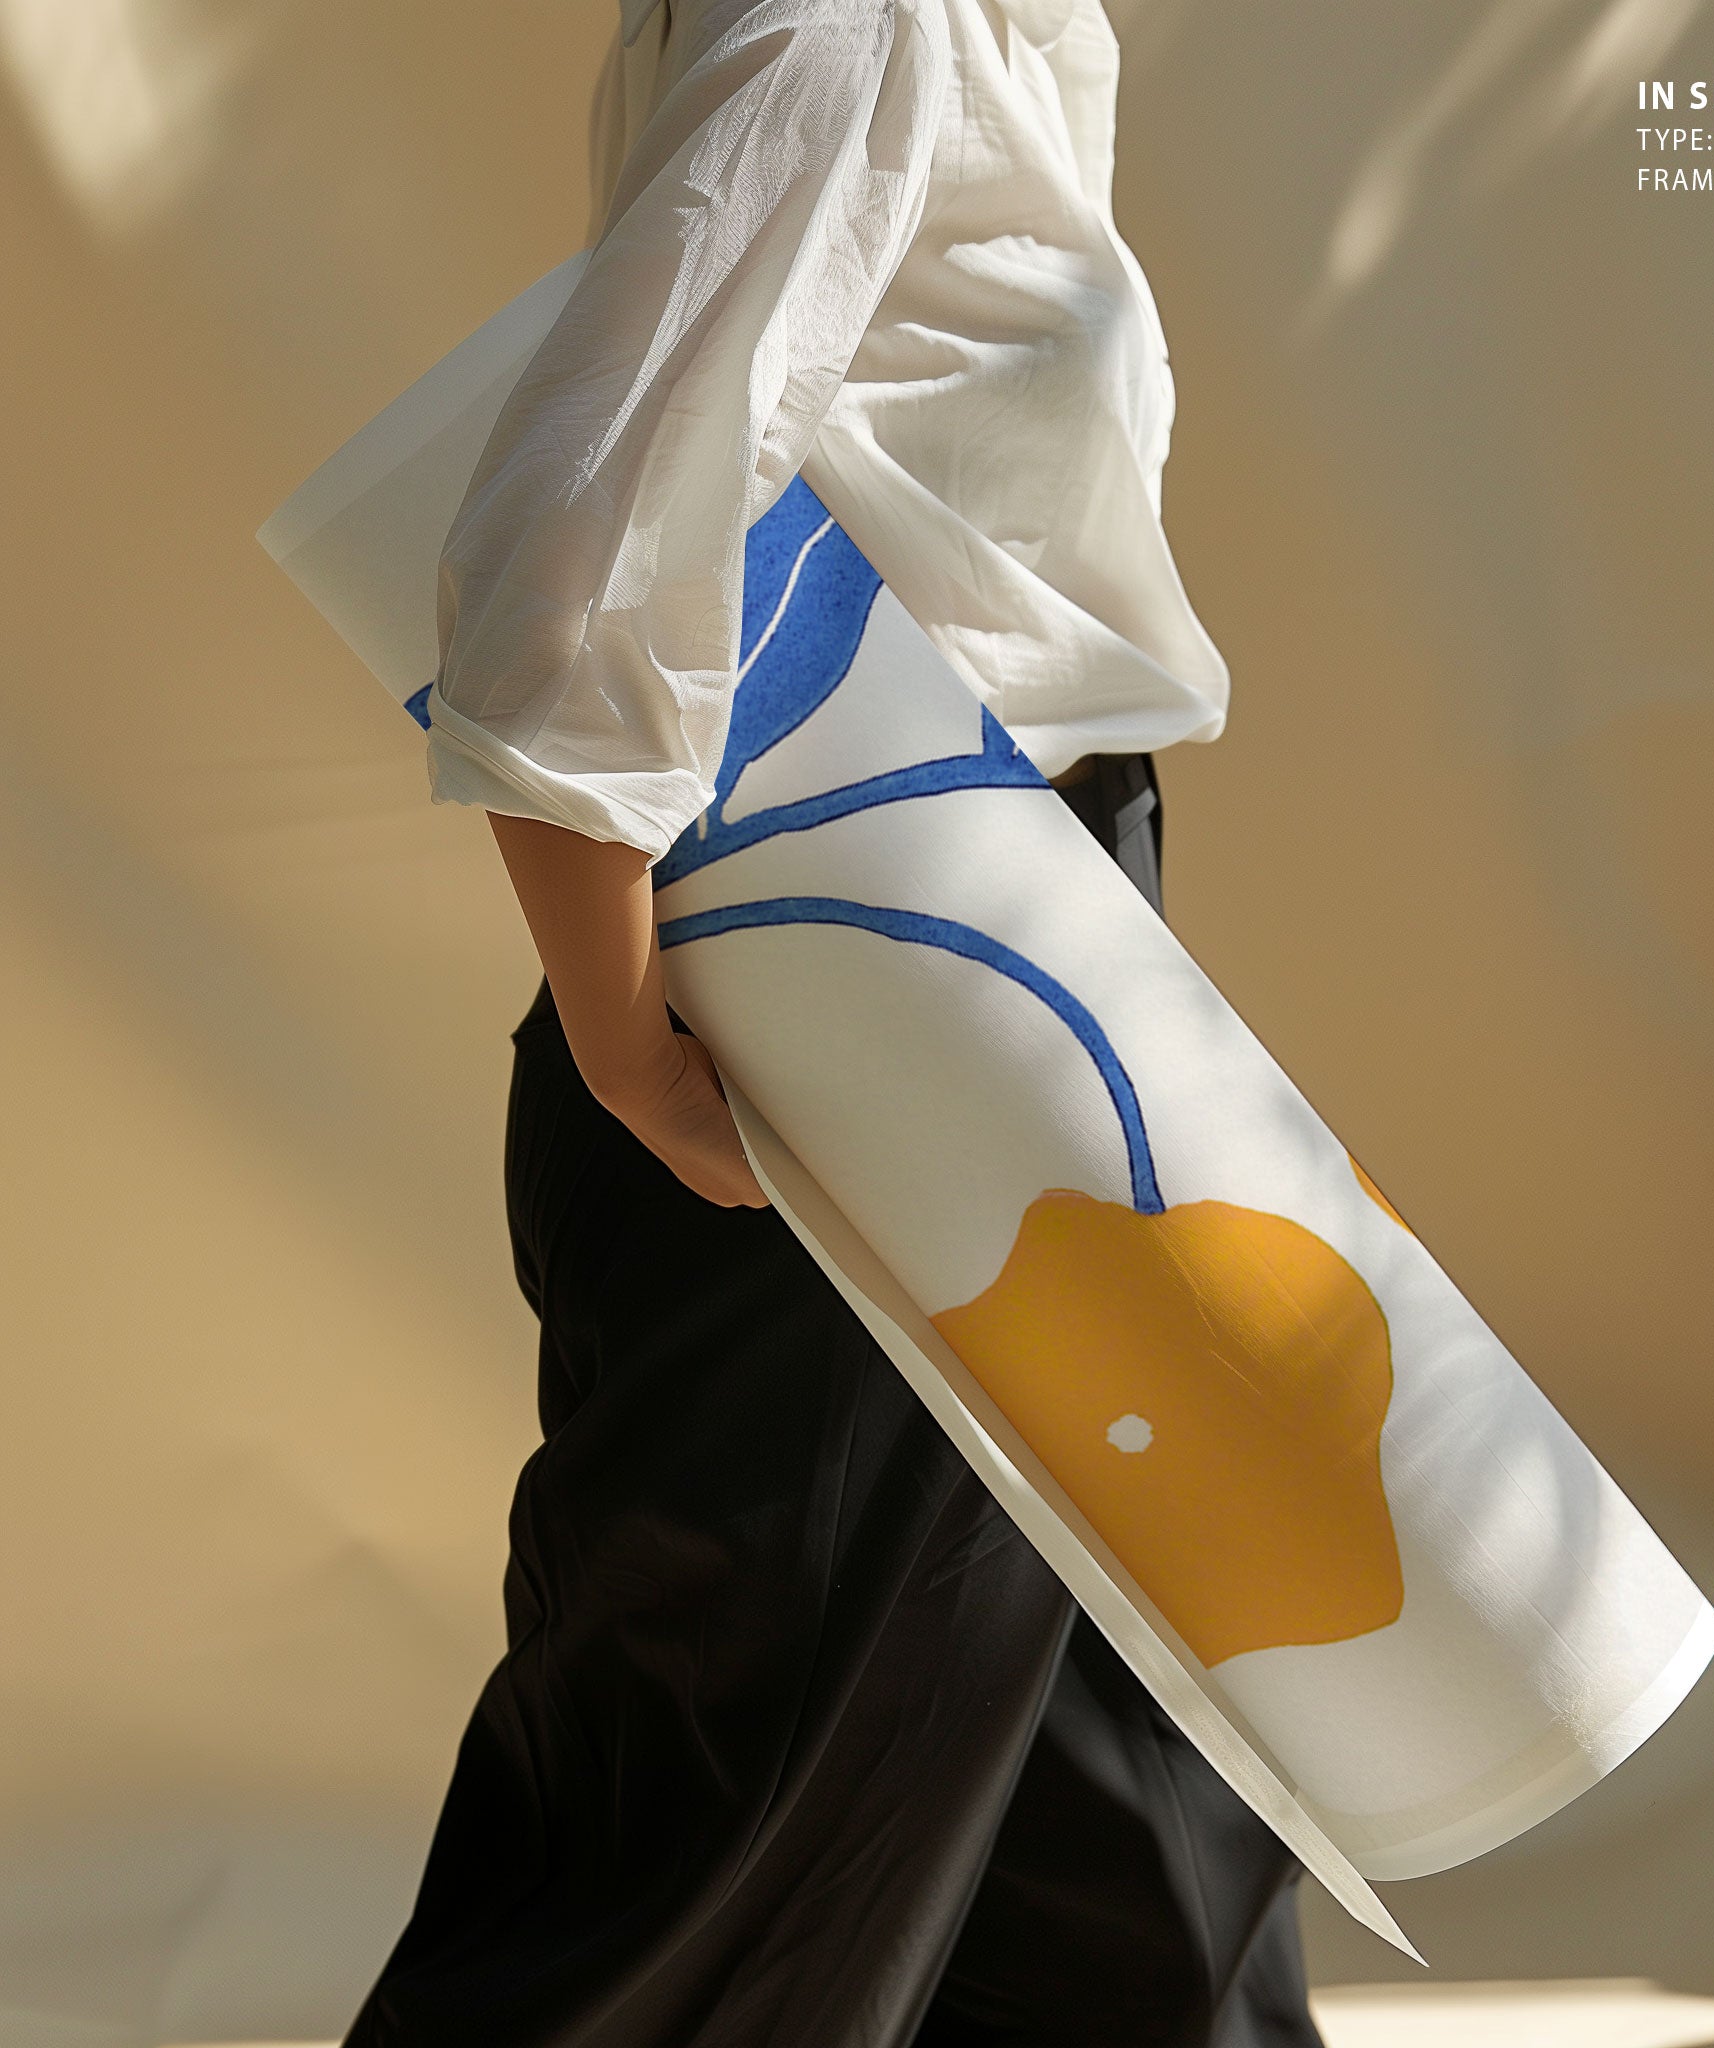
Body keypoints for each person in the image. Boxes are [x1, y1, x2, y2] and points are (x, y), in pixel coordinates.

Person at [342, 3, 1319, 2042]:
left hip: (1025, 937)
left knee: (1134, 1824)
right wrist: (627, 1043)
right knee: (697, 1854)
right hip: (853, 974)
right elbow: (583, 531)